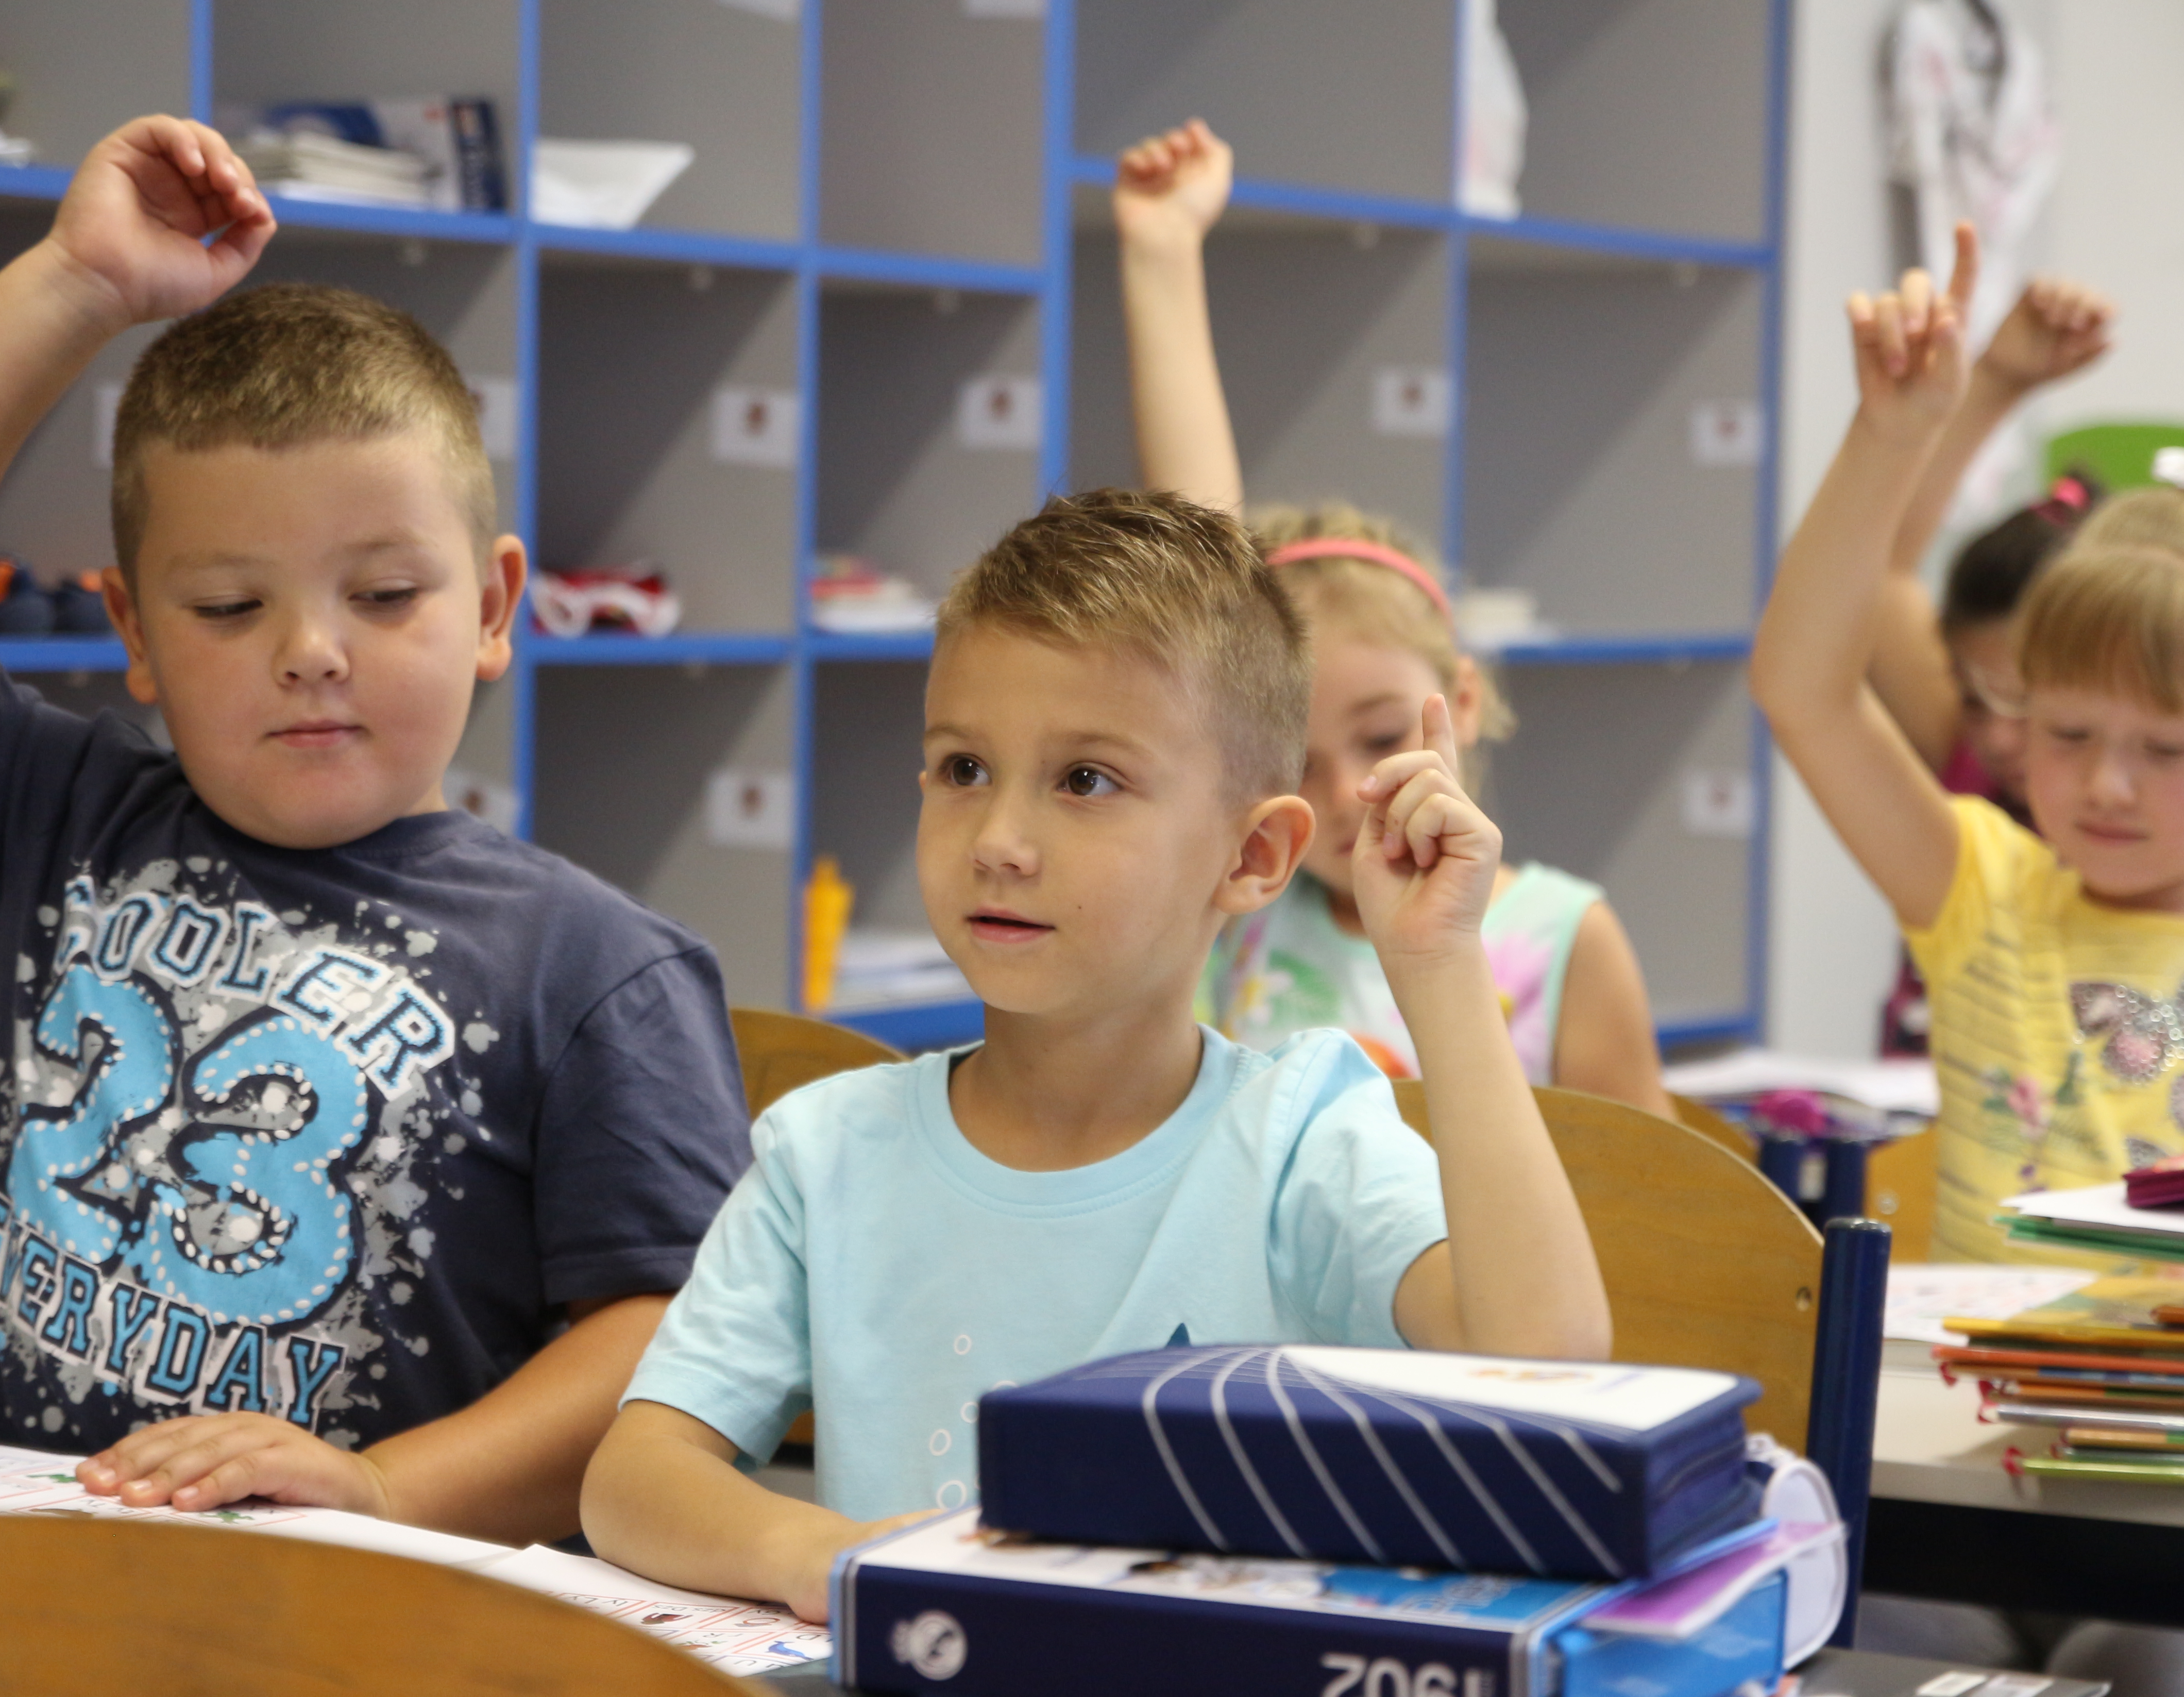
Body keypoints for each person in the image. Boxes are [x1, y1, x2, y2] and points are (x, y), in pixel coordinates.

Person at [0, 117, 752, 1544]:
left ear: (491, 608)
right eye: (228, 607)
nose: (311, 653)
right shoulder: (57, 819)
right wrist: (76, 285)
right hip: (63, 1605)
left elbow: (680, 1343)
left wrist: (388, 1486)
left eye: (385, 595)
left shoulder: (597, 971)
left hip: (382, 1621)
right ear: (134, 632)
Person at [578, 490, 1612, 1620]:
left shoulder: (1303, 1137)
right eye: (964, 769)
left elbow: (1546, 1364)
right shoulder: (827, 1153)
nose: (1000, 842)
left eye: (1086, 781)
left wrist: (1440, 965)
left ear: (1253, 855)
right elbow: (633, 1480)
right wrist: (819, 1556)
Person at [1752, 220, 2184, 1268]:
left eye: (2165, 751)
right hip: (1966, 1376)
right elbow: (1801, 687)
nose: (2107, 784)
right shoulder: (1983, 893)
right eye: (2068, 733)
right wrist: (1889, 436)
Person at [1114, 119, 1672, 1116]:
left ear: (1463, 697)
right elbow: (1202, 581)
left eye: (1379, 739)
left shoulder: (1561, 940)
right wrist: (1162, 254)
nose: (1342, 794)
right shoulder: (1237, 908)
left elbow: (1649, 1197)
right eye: (1295, 759)